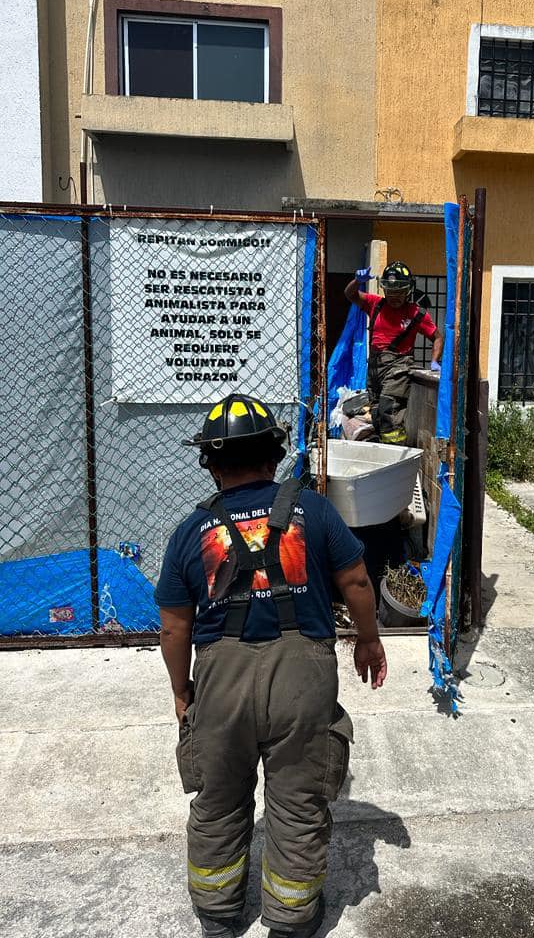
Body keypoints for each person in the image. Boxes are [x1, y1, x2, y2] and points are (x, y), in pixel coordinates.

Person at [155, 393, 387, 938]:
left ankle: (218, 916)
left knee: (218, 800)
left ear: (210, 464)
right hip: (301, 682)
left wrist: (182, 691)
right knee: (298, 803)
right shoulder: (315, 511)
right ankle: (290, 920)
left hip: (222, 684)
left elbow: (174, 628)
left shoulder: (190, 532)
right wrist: (369, 641)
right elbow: (356, 580)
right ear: (274, 455)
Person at [345, 260, 443, 444]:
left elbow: (437, 337)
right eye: (390, 291)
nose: (394, 296)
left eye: (399, 292)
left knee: (388, 409)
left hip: (399, 365)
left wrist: (434, 361)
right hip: (375, 366)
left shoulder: (416, 313)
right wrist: (357, 281)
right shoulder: (375, 304)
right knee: (376, 412)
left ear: (407, 291)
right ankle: (385, 449)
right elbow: (350, 294)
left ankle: (396, 449)